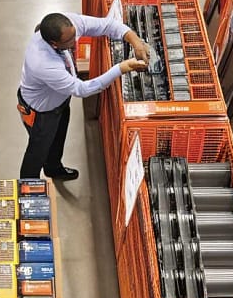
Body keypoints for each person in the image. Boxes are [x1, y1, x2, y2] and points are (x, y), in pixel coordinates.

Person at [17, 12, 149, 180]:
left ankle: (53, 168)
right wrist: (120, 68)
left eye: (74, 35)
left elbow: (107, 25)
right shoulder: (43, 63)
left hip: (59, 100)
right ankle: (28, 187)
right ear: (54, 44)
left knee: (58, 138)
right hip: (41, 112)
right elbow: (82, 89)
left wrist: (135, 41)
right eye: (69, 41)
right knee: (38, 150)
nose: (75, 42)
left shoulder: (68, 26)